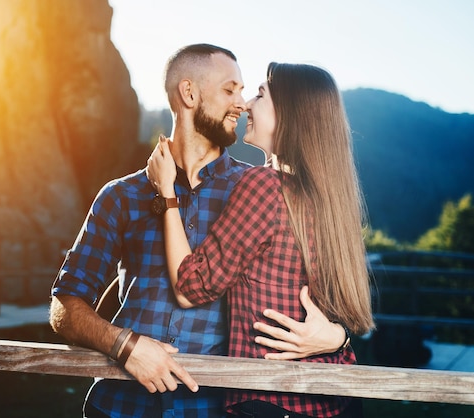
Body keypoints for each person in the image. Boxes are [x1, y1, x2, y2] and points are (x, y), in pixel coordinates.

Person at [50, 45, 348, 418]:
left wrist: (338, 335)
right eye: (230, 90)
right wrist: (125, 345)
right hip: (119, 405)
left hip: (213, 408)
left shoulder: (261, 190)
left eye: (246, 92)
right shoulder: (120, 196)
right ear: (189, 93)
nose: (241, 104)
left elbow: (327, 288)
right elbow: (65, 306)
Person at [147, 62, 374, 417]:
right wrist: (339, 337)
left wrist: (166, 193)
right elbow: (348, 316)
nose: (247, 105)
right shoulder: (333, 203)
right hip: (337, 400)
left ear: (290, 114)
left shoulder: (264, 187)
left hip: (271, 401)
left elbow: (190, 287)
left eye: (260, 94)